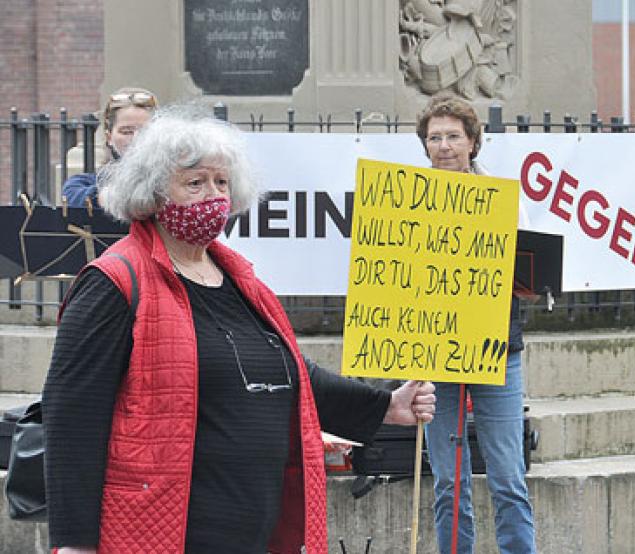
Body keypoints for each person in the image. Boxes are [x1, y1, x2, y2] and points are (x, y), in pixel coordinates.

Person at [42, 105, 437, 554]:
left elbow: (290, 376)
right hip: (166, 533)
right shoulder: (114, 283)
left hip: (257, 533)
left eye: (221, 182)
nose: (212, 195)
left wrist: (386, 405)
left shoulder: (241, 280)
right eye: (194, 182)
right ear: (152, 195)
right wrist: (73, 543)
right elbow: (72, 418)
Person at [416, 92, 536, 554]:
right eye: (434, 138)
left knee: (508, 477)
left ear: (472, 142)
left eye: (452, 136)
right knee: (449, 482)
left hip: (495, 350)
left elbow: (525, 269)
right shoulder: (407, 202)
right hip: (436, 352)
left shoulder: (504, 198)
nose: (443, 146)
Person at [61, 87, 158, 208]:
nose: (136, 139)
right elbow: (71, 194)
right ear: (109, 137)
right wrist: (108, 198)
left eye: (145, 131)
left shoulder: (175, 180)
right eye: (127, 131)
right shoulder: (86, 183)